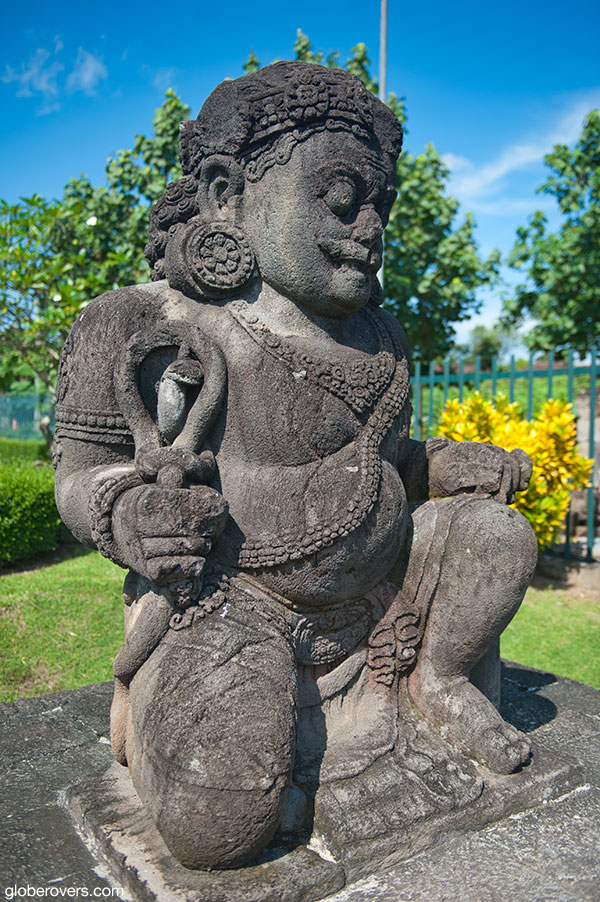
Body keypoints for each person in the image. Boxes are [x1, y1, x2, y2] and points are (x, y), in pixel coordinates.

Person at [53, 61, 537, 870]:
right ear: (223, 195)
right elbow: (82, 470)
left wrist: (443, 465)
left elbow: (379, 466)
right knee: (218, 827)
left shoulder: (382, 338)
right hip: (232, 603)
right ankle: (170, 723)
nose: (370, 227)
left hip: (384, 604)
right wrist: (131, 515)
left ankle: (439, 681)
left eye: (383, 207)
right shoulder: (146, 322)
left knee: (493, 536)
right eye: (344, 198)